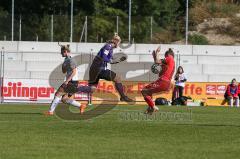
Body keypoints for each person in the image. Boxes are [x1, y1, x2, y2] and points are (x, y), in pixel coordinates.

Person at [45, 44, 92, 115]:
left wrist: (67, 81)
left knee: (58, 94)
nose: (61, 53)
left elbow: (74, 72)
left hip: (72, 81)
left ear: (66, 51)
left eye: (62, 52)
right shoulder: (66, 60)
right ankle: (81, 106)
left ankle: (50, 111)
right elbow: (64, 71)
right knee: (64, 99)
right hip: (73, 82)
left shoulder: (71, 60)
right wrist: (63, 66)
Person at [88, 33, 133, 102]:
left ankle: (75, 90)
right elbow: (104, 57)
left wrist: (119, 60)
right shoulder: (108, 46)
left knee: (92, 88)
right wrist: (112, 61)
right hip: (99, 69)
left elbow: (110, 60)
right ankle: (123, 97)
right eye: (119, 42)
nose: (119, 45)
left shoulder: (109, 48)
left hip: (94, 69)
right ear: (116, 41)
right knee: (118, 78)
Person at [141, 46, 175, 114]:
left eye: (165, 56)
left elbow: (157, 61)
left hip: (163, 81)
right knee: (148, 91)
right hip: (166, 83)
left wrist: (157, 52)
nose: (165, 57)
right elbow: (157, 63)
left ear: (168, 55)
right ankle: (151, 107)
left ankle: (153, 107)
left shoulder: (170, 58)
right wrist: (154, 56)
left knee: (144, 91)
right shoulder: (169, 63)